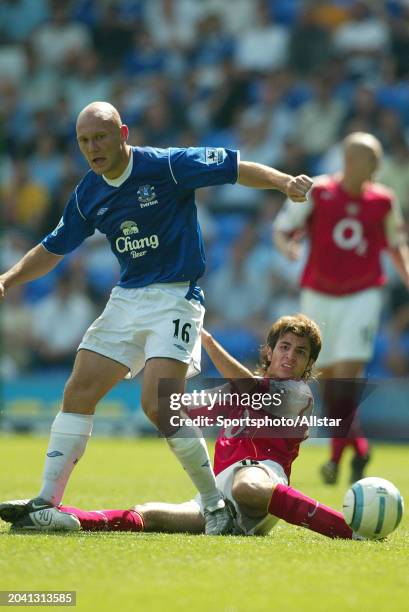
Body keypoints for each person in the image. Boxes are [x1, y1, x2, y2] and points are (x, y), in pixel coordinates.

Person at [0, 101, 313, 535]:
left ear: (123, 133)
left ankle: (214, 505)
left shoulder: (166, 166)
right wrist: (8, 279)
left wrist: (283, 183)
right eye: (84, 141)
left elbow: (233, 166)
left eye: (101, 137)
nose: (93, 148)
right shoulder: (89, 192)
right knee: (78, 390)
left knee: (159, 402)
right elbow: (53, 247)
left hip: (176, 297)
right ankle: (46, 504)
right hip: (127, 298)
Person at [5, 315, 357, 540]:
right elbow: (176, 409)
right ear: (269, 351)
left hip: (263, 482)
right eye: (284, 347)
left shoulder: (299, 394)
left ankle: (346, 529)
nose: (290, 356)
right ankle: (56, 518)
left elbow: (251, 389)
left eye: (300, 352)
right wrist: (153, 373)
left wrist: (208, 343)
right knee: (149, 514)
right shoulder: (235, 392)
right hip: (220, 496)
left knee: (248, 484)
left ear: (309, 363)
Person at [274, 132, 409, 485]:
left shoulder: (383, 201)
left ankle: (335, 459)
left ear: (373, 166)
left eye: (360, 159)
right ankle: (360, 448)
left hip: (363, 295)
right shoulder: (317, 191)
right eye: (348, 157)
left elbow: (397, 245)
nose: (350, 164)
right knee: (331, 382)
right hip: (318, 295)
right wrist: (287, 246)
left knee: (345, 380)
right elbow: (283, 227)